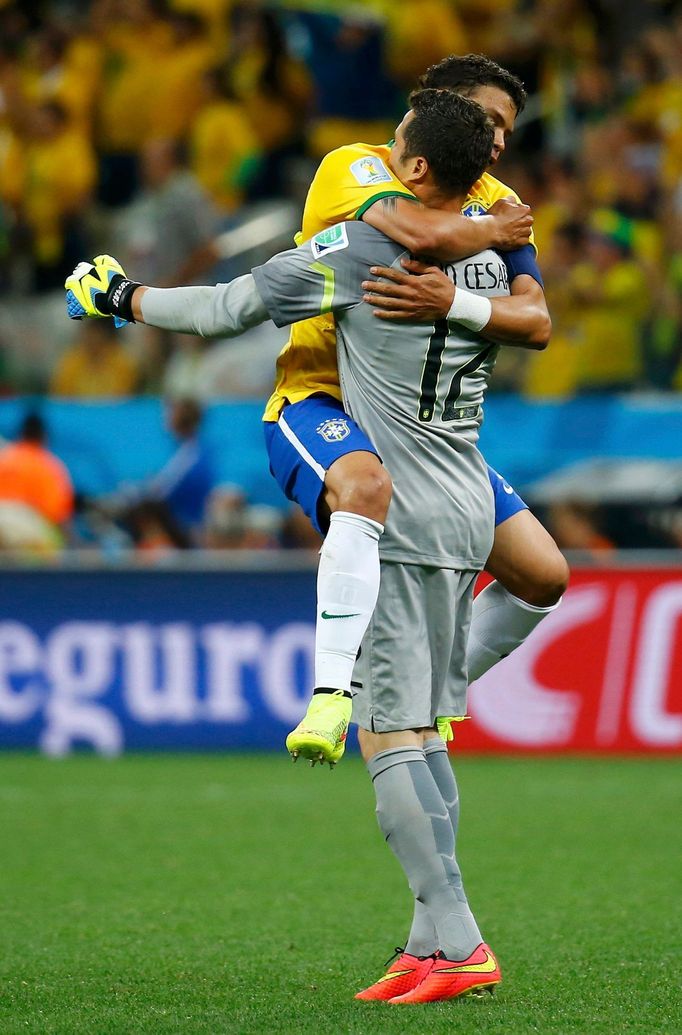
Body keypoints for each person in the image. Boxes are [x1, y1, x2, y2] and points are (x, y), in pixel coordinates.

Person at [65, 88, 549, 1002]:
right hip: (467, 500)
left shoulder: (365, 249)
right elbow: (532, 315)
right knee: (426, 731)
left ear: (411, 169)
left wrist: (119, 296)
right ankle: (430, 944)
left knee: (390, 733)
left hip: (398, 516)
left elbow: (222, 307)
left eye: (393, 144)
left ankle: (460, 942)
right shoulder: (490, 264)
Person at [259, 53, 567, 766]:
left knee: (543, 574)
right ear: (435, 109)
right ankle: (341, 688)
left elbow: (536, 321)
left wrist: (459, 299)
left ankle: (426, 683)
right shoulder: (355, 167)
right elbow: (417, 232)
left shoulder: (497, 195)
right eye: (487, 121)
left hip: (424, 428)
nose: (496, 142)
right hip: (325, 396)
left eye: (507, 132)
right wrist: (492, 233)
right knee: (365, 489)